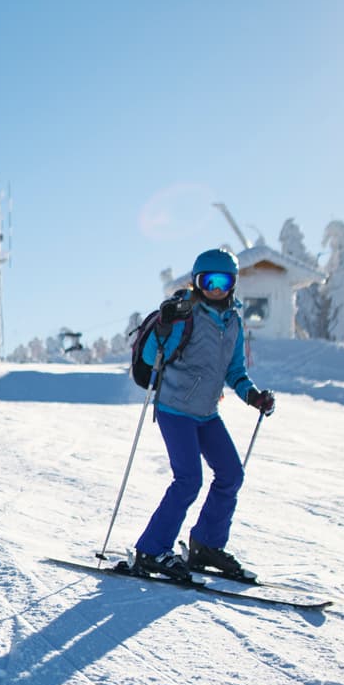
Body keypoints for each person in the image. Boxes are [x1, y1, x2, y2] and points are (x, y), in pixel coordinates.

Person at [129, 247, 276, 583]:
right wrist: (165, 324)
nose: (215, 288)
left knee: (231, 474)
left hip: (206, 413)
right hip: (174, 409)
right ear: (196, 282)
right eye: (207, 280)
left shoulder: (234, 322)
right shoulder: (185, 314)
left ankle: (206, 545)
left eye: (222, 281)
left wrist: (252, 396)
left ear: (233, 284)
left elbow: (236, 371)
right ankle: (152, 549)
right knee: (188, 480)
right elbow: (153, 358)